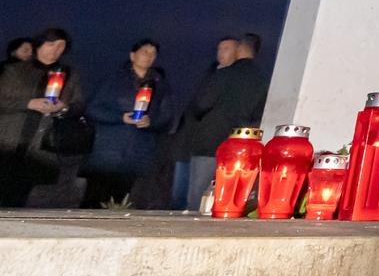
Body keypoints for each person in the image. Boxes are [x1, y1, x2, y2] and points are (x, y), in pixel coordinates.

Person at [0, 27, 88, 207]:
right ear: (38, 45)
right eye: (51, 44)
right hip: (7, 142)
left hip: (42, 148)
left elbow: (79, 106)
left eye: (61, 46)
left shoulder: (69, 75)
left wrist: (63, 108)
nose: (56, 49)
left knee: (25, 198)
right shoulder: (14, 70)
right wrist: (28, 103)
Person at [81, 39, 173, 208]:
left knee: (123, 203)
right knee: (95, 201)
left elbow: (167, 118)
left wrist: (150, 122)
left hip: (139, 153)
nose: (149, 57)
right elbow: (92, 109)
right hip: (108, 152)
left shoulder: (160, 84)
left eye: (153, 54)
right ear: (132, 55)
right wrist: (120, 117)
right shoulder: (114, 79)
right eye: (145, 52)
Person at [184, 33, 268, 210]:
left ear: (240, 49)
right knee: (233, 200)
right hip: (241, 147)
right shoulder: (263, 80)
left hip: (210, 144)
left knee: (198, 198)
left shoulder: (223, 75)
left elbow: (200, 105)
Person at [169, 36, 239, 209]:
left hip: (209, 145)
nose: (221, 53)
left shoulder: (234, 80)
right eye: (220, 49)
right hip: (188, 142)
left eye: (227, 49)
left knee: (197, 196)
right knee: (179, 195)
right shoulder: (210, 74)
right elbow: (195, 106)